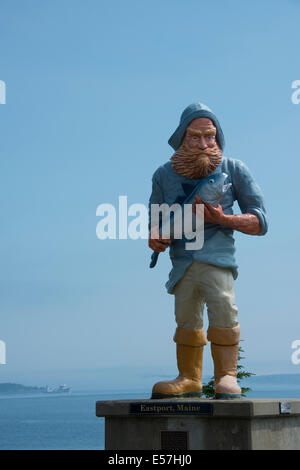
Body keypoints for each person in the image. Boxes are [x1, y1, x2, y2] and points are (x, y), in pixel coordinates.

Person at [148, 102, 268, 399]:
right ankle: (189, 378)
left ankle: (226, 376)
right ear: (181, 138)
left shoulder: (233, 170)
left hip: (218, 259)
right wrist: (155, 237)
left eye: (210, 137)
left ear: (218, 137)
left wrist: (223, 219)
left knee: (224, 310)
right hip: (182, 262)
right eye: (195, 137)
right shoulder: (163, 175)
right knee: (186, 316)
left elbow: (260, 220)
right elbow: (155, 219)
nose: (203, 144)